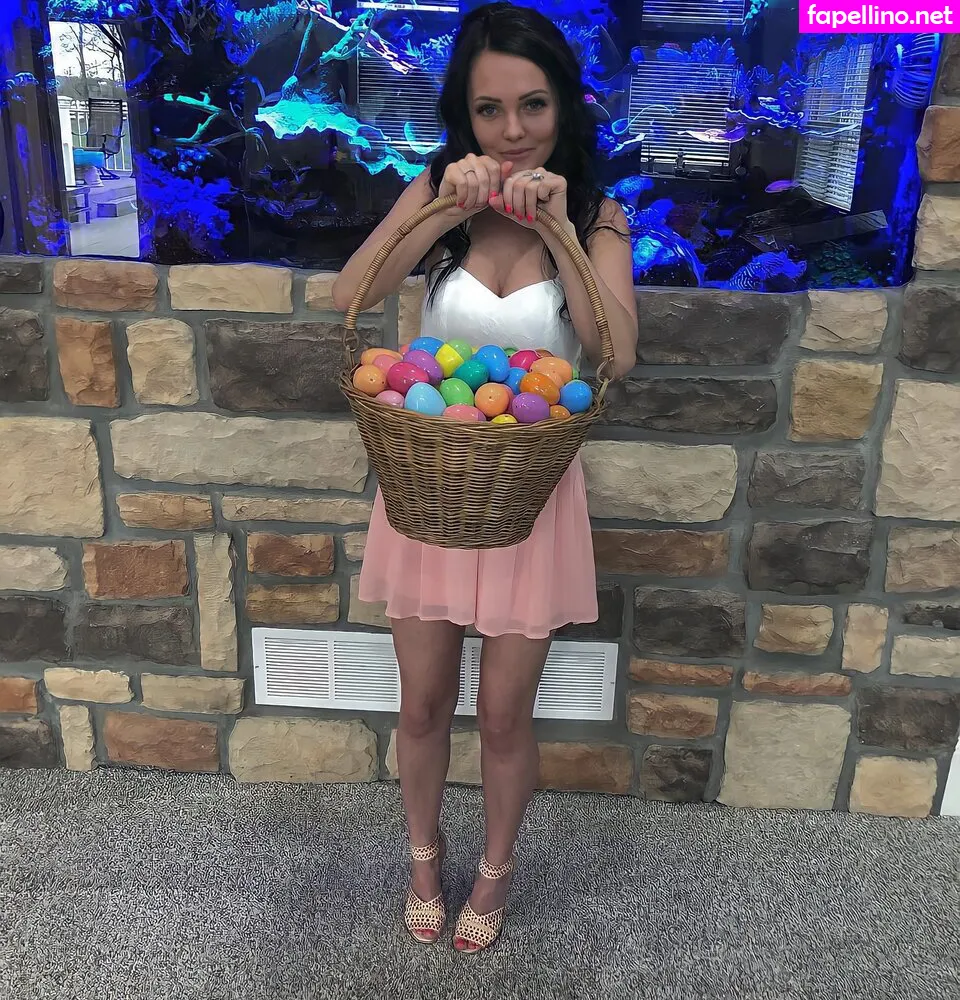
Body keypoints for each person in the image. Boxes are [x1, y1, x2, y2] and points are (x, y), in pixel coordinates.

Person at [332, 0, 638, 954]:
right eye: (489, 109)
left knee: (504, 716)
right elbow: (349, 294)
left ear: (565, 106)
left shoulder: (598, 214)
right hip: (430, 489)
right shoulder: (439, 191)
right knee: (423, 702)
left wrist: (556, 228)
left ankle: (495, 871)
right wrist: (447, 210)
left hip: (529, 500)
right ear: (463, 116)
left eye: (533, 105)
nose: (512, 131)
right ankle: (424, 860)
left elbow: (615, 353)